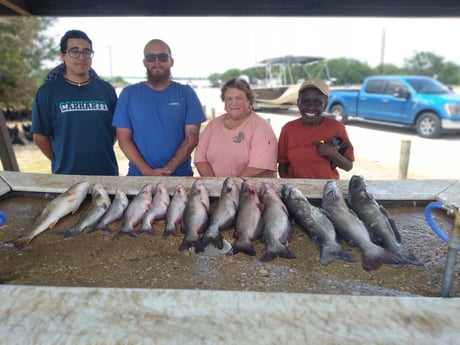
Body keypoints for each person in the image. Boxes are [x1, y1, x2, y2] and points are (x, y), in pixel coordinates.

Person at [112, 39, 205, 176]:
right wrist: (146, 171)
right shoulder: (129, 94)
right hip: (139, 178)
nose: (157, 62)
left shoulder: (186, 93)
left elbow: (191, 138)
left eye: (162, 57)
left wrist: (169, 169)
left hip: (179, 178)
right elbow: (123, 140)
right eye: (151, 57)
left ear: (171, 61)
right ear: (144, 62)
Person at [31, 29, 118, 176]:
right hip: (66, 176)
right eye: (74, 51)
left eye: (86, 52)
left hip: (107, 173)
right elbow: (40, 137)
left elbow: (116, 130)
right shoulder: (48, 91)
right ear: (63, 55)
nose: (81, 56)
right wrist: (59, 159)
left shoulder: (106, 89)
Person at [194, 78, 278, 178]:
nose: (234, 103)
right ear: (224, 102)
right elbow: (200, 158)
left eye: (239, 98)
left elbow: (258, 167)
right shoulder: (213, 125)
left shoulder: (261, 127)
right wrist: (215, 184)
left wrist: (230, 187)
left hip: (252, 191)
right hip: (217, 189)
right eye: (229, 99)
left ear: (249, 100)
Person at [278, 78, 354, 179]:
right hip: (297, 190)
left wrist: (333, 154)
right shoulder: (288, 129)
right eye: (305, 102)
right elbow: (282, 166)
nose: (311, 107)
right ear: (298, 103)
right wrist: (292, 188)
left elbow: (348, 166)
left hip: (327, 189)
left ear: (325, 104)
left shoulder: (337, 128)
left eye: (317, 102)